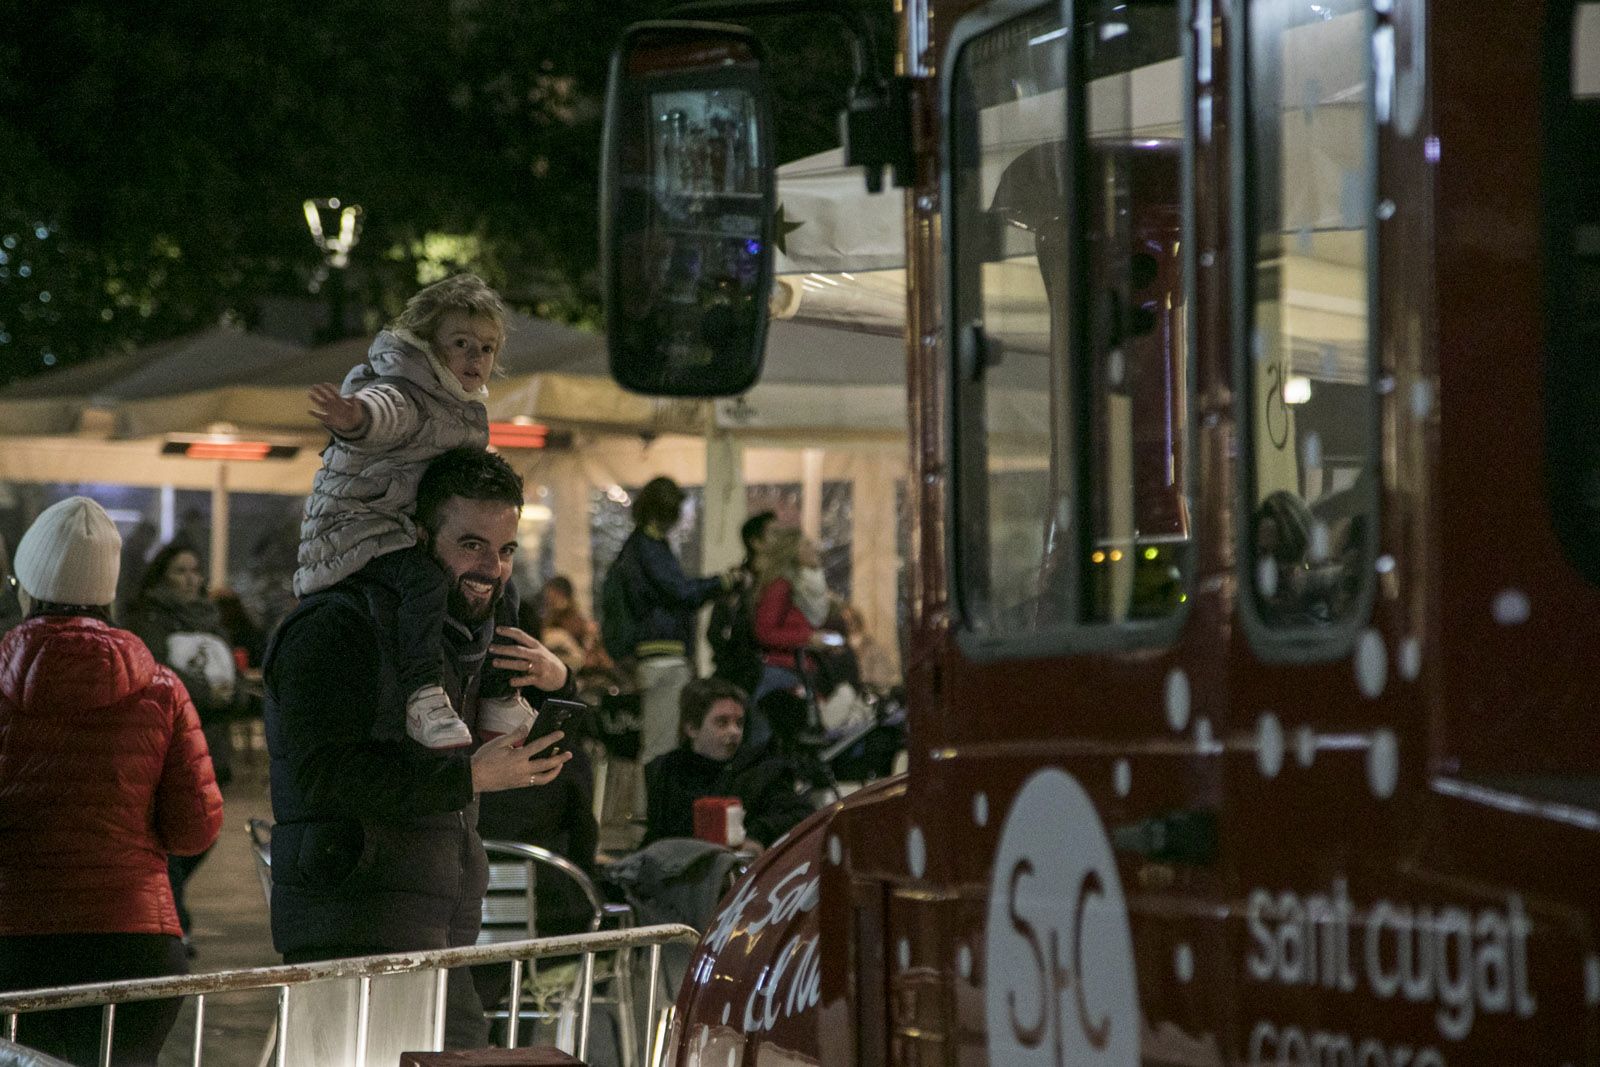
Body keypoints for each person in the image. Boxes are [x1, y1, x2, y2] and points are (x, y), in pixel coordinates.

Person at [264, 448, 575, 1050]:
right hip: (350, 919)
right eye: (471, 545)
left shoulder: (453, 635)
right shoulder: (336, 625)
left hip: (435, 917)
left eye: (506, 550)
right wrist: (469, 780)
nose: (492, 568)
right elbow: (321, 777)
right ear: (419, 535)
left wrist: (560, 684)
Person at [0, 497, 222, 1066]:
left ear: (26, 585)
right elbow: (195, 828)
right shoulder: (162, 689)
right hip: (134, 946)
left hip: (14, 947)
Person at [296, 272, 531, 751]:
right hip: (357, 527)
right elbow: (384, 414)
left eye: (486, 348)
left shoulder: (458, 405)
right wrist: (354, 419)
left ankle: (499, 694)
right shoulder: (409, 391)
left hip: (400, 523)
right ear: (427, 344)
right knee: (425, 582)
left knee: (501, 584)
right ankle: (424, 697)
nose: (475, 358)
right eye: (461, 343)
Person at [124, 541, 242, 953]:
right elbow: (160, 674)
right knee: (171, 839)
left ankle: (171, 913)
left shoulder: (212, 619)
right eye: (179, 571)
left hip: (213, 745)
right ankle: (174, 922)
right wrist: (209, 695)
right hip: (170, 746)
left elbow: (234, 673)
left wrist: (235, 694)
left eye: (195, 570)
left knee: (203, 834)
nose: (190, 579)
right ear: (161, 576)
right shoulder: (149, 619)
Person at [607, 476, 736, 766]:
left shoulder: (639, 548)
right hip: (662, 657)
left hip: (654, 658)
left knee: (660, 743)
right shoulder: (649, 548)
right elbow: (681, 592)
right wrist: (723, 582)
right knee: (660, 748)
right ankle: (652, 811)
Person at [643, 678, 814, 852]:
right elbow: (657, 836)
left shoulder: (761, 770)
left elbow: (800, 815)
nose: (734, 732)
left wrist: (756, 836)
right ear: (692, 728)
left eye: (739, 723)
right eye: (722, 722)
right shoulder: (666, 771)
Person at [751, 526, 836, 702]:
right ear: (791, 551)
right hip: (782, 674)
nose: (814, 549)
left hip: (800, 670)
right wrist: (809, 638)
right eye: (806, 545)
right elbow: (765, 631)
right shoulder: (781, 586)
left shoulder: (804, 589)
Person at [707, 512, 774, 695]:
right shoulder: (738, 584)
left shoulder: (783, 584)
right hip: (742, 678)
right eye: (774, 534)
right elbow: (716, 632)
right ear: (756, 542)